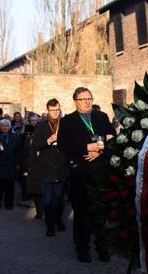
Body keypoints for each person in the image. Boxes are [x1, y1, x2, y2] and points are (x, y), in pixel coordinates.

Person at [57, 87, 115, 263]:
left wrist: (100, 151)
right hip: (80, 174)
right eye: (83, 99)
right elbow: (63, 145)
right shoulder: (68, 121)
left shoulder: (101, 116)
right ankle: (82, 249)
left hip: (100, 172)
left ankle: (102, 248)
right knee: (81, 215)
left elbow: (111, 137)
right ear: (75, 101)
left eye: (89, 98)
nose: (87, 102)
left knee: (101, 214)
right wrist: (86, 148)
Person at [31, 99, 69, 236]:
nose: (55, 113)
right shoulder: (41, 126)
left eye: (57, 110)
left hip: (60, 167)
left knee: (59, 199)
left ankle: (58, 220)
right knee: (47, 200)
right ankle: (50, 225)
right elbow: (35, 146)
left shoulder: (65, 124)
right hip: (45, 169)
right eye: (52, 110)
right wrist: (49, 140)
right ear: (48, 110)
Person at [0, 119, 22, 210]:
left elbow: (19, 151)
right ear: (0, 127)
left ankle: (9, 204)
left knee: (10, 186)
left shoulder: (15, 137)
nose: (5, 127)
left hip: (11, 164)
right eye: (3, 126)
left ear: (9, 127)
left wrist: (18, 162)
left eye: (6, 126)